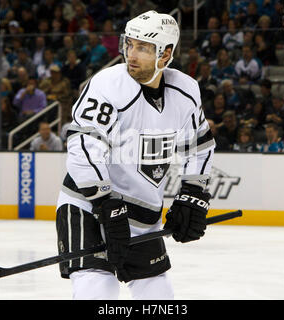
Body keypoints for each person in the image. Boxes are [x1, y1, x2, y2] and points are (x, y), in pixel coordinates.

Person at [55, 11, 215, 300]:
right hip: (88, 207)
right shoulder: (107, 86)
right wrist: (105, 203)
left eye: (143, 48)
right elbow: (83, 148)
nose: (131, 54)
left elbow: (200, 146)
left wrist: (193, 193)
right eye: (129, 44)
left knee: (159, 297)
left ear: (165, 54)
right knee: (97, 290)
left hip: (143, 216)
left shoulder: (186, 92)